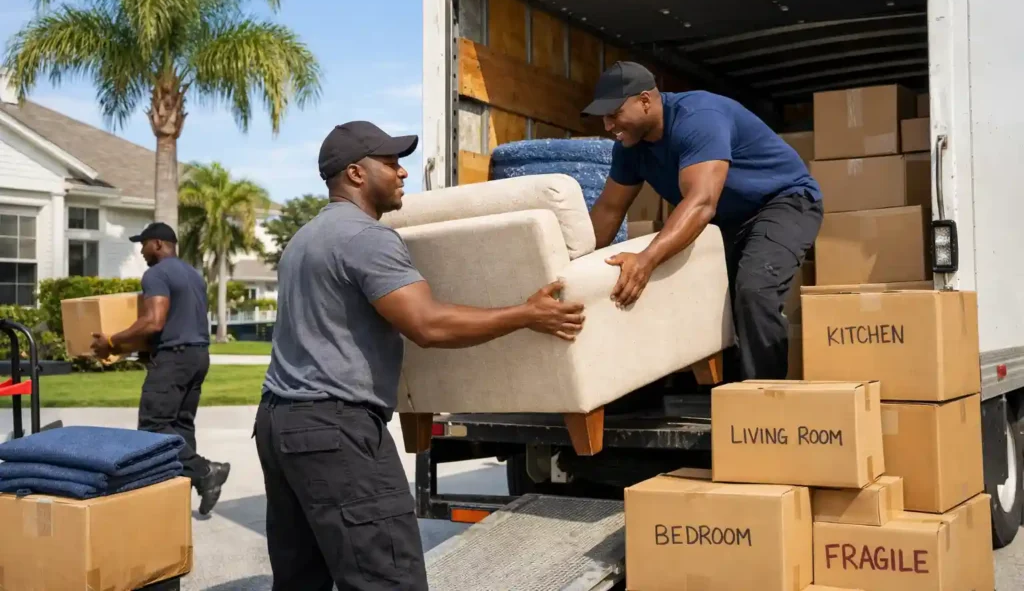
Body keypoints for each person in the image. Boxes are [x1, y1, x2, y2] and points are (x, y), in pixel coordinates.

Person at [254, 120, 586, 591]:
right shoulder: (366, 238)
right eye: (389, 163)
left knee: (302, 578)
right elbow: (427, 325)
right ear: (355, 174)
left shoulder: (305, 239)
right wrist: (526, 313)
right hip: (334, 430)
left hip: (279, 424)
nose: (402, 172)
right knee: (389, 579)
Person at [583, 61, 823, 382]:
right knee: (701, 297)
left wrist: (646, 260)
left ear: (644, 101)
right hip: (728, 219)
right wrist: (569, 263)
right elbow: (609, 211)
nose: (608, 125)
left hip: (783, 202)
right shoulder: (629, 148)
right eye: (603, 117)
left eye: (614, 114)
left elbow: (701, 203)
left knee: (754, 291)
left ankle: (766, 405)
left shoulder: (698, 118)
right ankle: (718, 393)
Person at [91, 222, 231, 515]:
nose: (141, 251)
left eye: (142, 244)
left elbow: (154, 320)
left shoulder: (156, 273)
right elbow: (175, 321)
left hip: (175, 359)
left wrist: (112, 341)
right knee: (180, 426)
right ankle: (180, 496)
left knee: (154, 426)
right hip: (198, 356)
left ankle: (206, 472)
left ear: (157, 244)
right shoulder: (193, 274)